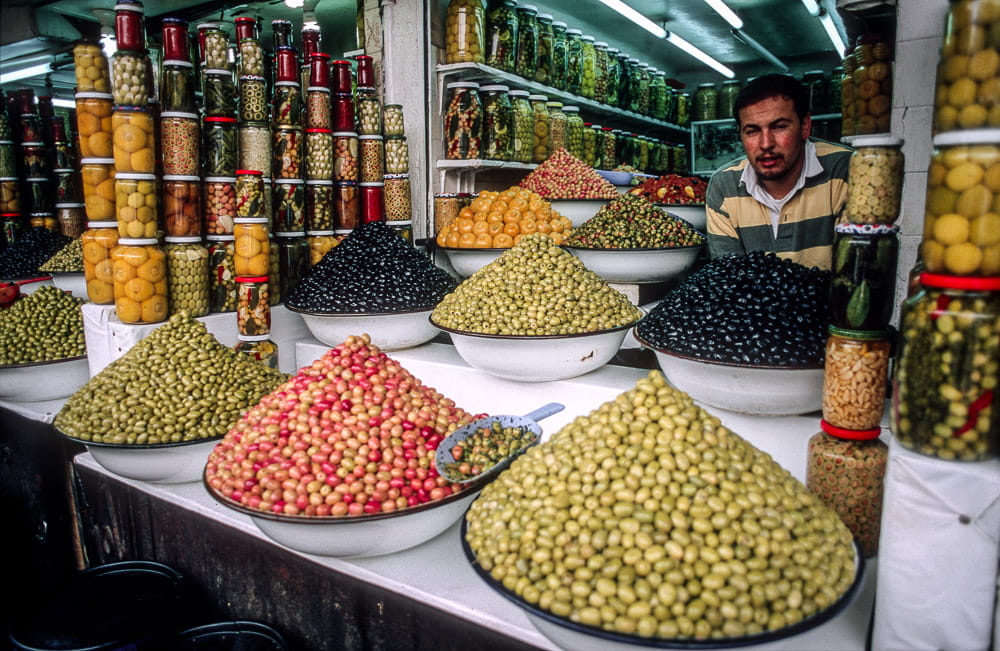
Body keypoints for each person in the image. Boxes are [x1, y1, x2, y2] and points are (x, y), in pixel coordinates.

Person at [705, 73, 851, 270]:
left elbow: (854, 277)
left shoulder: (845, 171)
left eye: (779, 127)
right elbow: (730, 278)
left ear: (805, 126)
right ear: (740, 135)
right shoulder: (724, 185)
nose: (766, 144)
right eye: (752, 131)